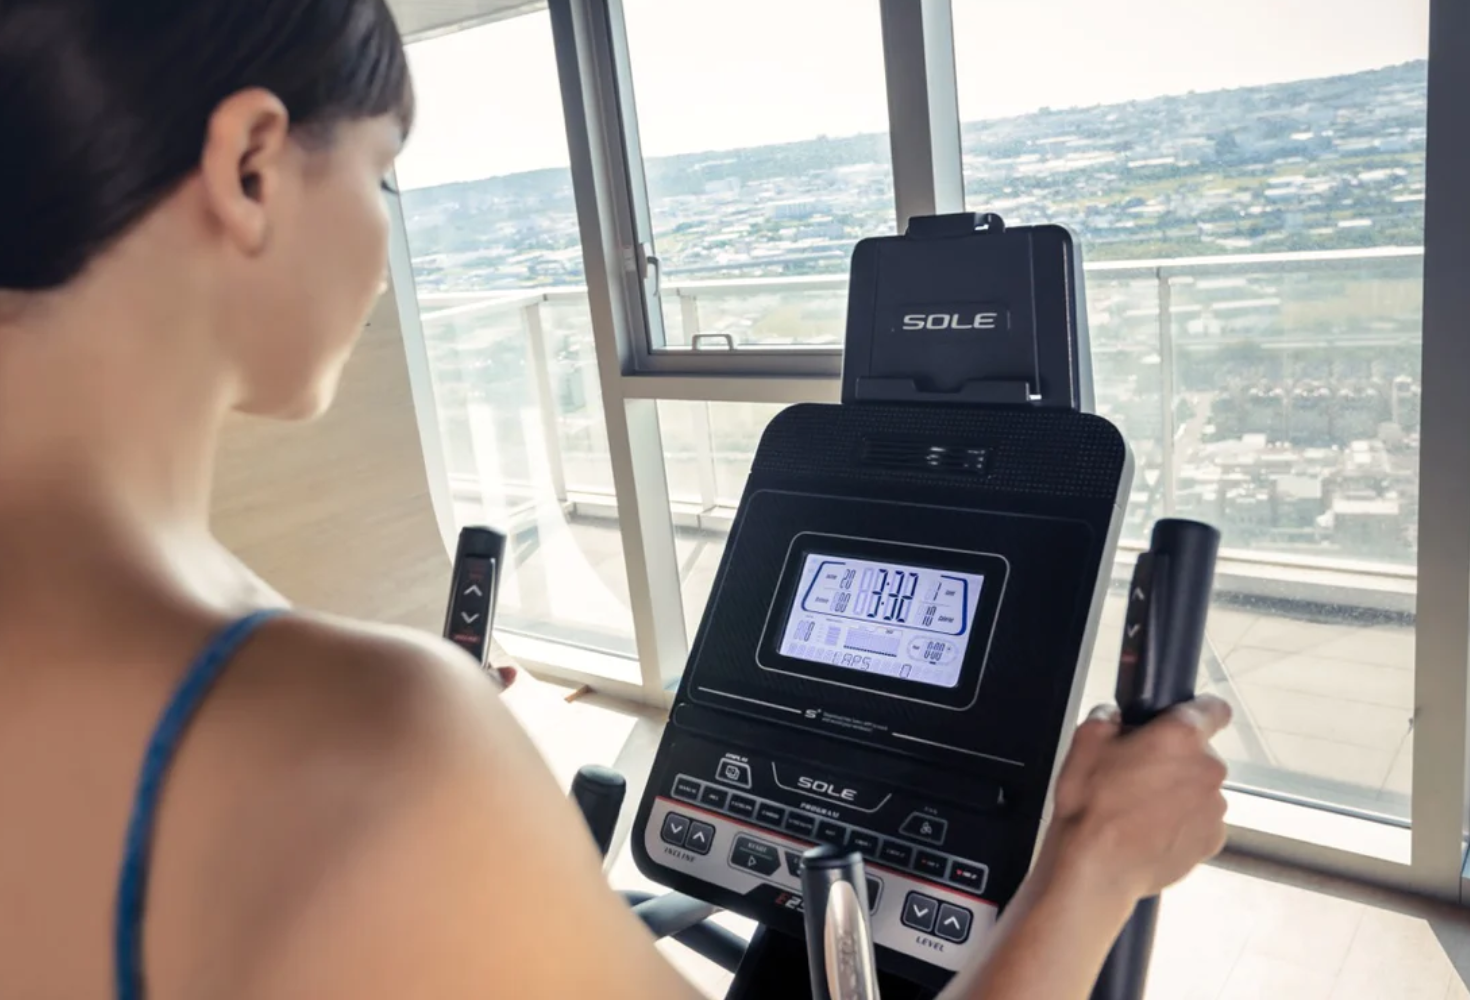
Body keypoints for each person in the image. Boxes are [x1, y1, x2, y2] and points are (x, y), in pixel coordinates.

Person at [0, 1, 1233, 997]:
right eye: (383, 175)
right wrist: (1096, 863)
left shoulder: (309, 713)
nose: (383, 250)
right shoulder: (363, 730)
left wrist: (446, 828)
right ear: (251, 165)